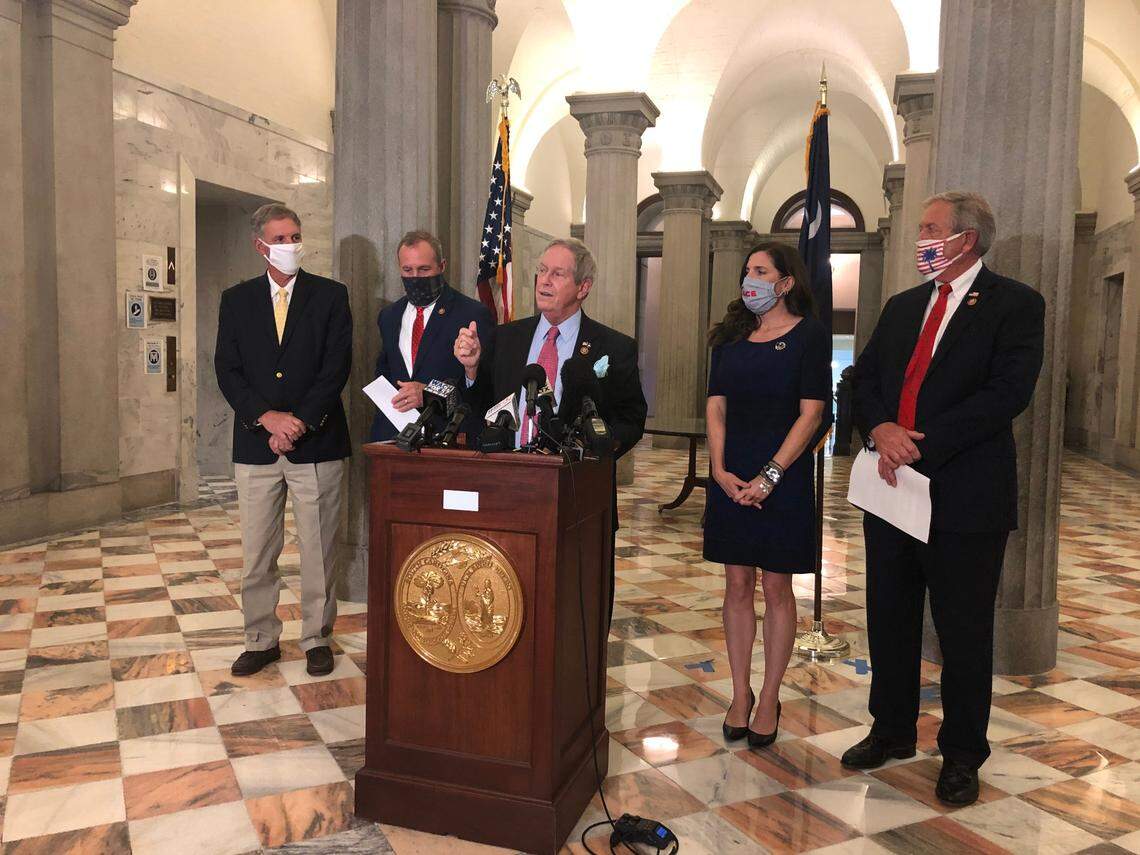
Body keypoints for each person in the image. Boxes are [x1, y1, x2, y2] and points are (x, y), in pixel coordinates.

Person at [844, 191, 1044, 806]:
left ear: (966, 239)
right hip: (892, 488)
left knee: (961, 629)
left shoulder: (1014, 304)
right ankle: (892, 728)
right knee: (890, 614)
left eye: (930, 229)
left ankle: (961, 754)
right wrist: (879, 429)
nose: (920, 240)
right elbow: (862, 378)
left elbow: (1007, 393)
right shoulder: (904, 307)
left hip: (964, 495)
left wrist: (917, 445)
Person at [453, 237, 647, 599]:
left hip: (578, 494)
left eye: (558, 274)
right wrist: (472, 369)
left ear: (583, 287)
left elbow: (632, 418)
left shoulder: (614, 347)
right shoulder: (507, 337)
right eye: (542, 270)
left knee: (574, 601)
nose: (545, 280)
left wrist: (596, 448)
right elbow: (480, 405)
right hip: (508, 489)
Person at [214, 203, 352, 678]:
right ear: (260, 246)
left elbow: (336, 368)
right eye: (280, 238)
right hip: (255, 446)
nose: (290, 245)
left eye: (295, 236)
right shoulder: (236, 300)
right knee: (257, 553)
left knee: (318, 550)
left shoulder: (331, 296)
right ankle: (260, 638)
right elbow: (227, 371)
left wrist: (298, 422)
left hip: (318, 443)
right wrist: (267, 418)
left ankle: (316, 637)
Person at [704, 242, 830, 748]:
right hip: (732, 475)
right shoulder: (730, 338)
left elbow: (812, 413)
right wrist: (718, 469)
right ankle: (740, 694)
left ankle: (771, 695)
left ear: (786, 282)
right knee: (736, 585)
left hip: (785, 474)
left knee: (776, 589)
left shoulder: (809, 336)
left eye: (760, 271)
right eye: (746, 271)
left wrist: (772, 475)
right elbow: (716, 407)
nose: (748, 279)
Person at [369, 230, 494, 442]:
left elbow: (480, 386)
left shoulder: (471, 314)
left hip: (447, 437)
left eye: (424, 269)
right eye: (407, 270)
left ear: (442, 266)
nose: (415, 278)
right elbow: (386, 371)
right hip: (393, 438)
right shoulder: (389, 316)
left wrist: (429, 393)